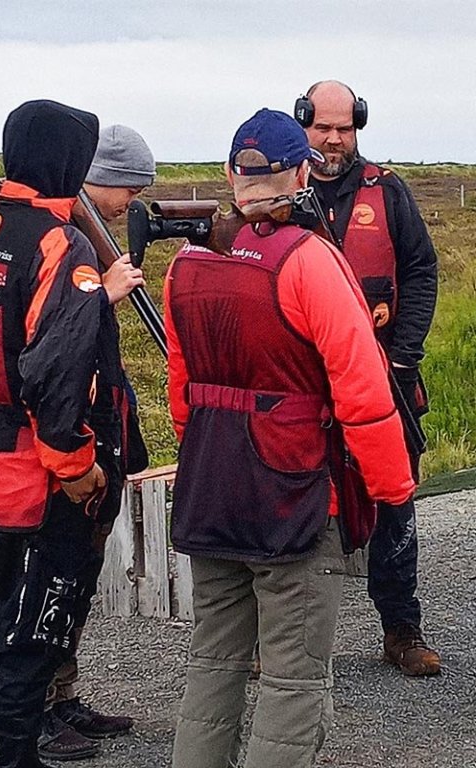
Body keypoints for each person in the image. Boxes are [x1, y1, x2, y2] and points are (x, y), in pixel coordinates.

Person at [166, 108, 415, 768]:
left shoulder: (185, 263)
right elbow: (364, 395)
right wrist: (392, 491)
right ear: (301, 172)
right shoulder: (308, 262)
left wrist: (203, 456)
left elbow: (182, 392)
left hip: (211, 490)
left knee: (212, 662)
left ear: (230, 175)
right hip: (293, 496)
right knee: (293, 681)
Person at [0, 99, 144, 768]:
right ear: (72, 163)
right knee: (33, 633)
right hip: (33, 477)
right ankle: (16, 754)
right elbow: (60, 369)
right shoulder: (60, 245)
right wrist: (76, 469)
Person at [294, 80, 440, 675]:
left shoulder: (389, 192)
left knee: (394, 504)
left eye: (345, 128)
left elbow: (423, 271)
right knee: (295, 506)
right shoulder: (280, 191)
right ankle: (283, 641)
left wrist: (403, 359)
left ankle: (401, 629)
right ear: (303, 123)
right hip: (302, 391)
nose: (333, 138)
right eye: (323, 126)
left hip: (384, 382)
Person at [38, 124, 154, 762]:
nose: (131, 202)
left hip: (100, 421)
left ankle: (60, 694)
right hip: (71, 433)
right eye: (127, 188)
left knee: (77, 573)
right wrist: (101, 296)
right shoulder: (61, 240)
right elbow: (50, 351)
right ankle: (35, 706)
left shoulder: (85, 234)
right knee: (52, 575)